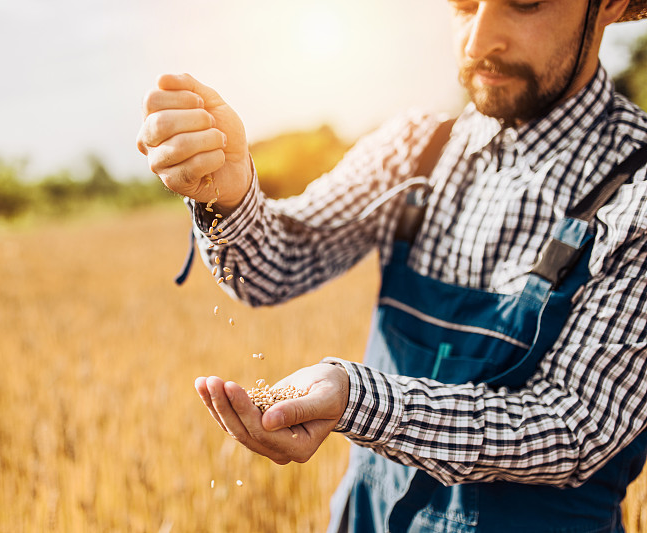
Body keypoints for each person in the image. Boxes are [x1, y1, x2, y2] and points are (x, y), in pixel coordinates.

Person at [137, 0, 647, 531]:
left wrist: (359, 399)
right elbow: (271, 266)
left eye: (523, 3)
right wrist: (226, 190)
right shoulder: (417, 149)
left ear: (608, 5)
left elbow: (571, 428)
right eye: (465, 6)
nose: (477, 42)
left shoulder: (637, 195)